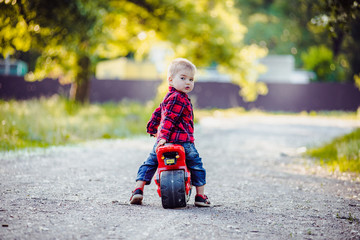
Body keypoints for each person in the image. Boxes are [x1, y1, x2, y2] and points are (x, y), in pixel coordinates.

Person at [130, 58, 211, 207]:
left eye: (191, 79)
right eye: (183, 78)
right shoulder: (179, 98)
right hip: (182, 142)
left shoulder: (168, 97)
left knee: (150, 163)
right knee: (196, 165)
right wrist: (163, 136)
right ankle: (200, 196)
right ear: (170, 80)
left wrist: (153, 129)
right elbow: (169, 120)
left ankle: (138, 190)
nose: (188, 82)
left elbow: (158, 114)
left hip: (163, 141)